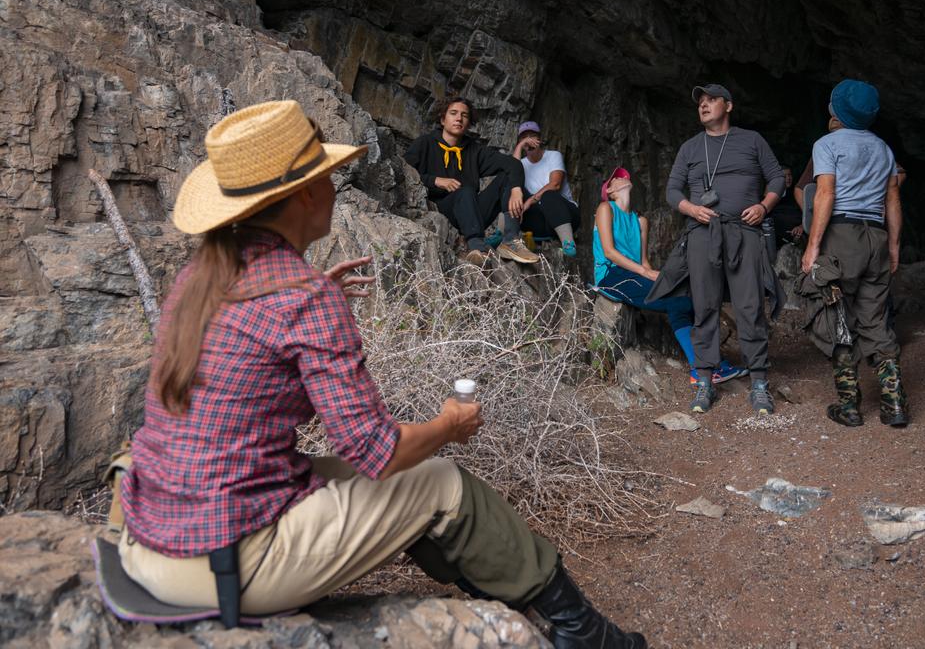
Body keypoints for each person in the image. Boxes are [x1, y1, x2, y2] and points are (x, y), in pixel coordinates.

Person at [117, 101, 644, 648]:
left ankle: (526, 609)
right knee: (441, 481)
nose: (334, 187)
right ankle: (586, 635)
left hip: (152, 536)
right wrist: (449, 425)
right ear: (304, 195)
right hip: (224, 560)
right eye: (327, 177)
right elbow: (379, 453)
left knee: (352, 473)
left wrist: (316, 293)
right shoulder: (301, 298)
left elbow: (254, 349)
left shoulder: (202, 276)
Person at [652, 83, 785, 416]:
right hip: (702, 233)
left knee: (750, 305)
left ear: (728, 105)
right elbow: (672, 190)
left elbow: (777, 178)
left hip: (744, 232)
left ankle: (759, 383)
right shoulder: (690, 148)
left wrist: (764, 206)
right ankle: (705, 381)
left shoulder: (752, 140)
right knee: (705, 307)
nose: (704, 105)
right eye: (700, 101)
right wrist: (691, 208)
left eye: (711, 100)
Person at [801, 80, 908, 427]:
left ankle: (849, 406)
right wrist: (893, 246)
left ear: (837, 110)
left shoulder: (827, 144)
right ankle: (894, 404)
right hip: (876, 235)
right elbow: (893, 199)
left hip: (841, 236)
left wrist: (813, 246)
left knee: (837, 316)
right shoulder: (883, 149)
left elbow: (825, 195)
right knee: (875, 317)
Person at [593, 167, 745, 385]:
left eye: (622, 175)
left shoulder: (640, 221)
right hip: (611, 275)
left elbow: (644, 261)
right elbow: (609, 251)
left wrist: (660, 278)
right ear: (609, 191)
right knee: (677, 302)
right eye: (615, 178)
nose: (621, 178)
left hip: (634, 272)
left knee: (687, 299)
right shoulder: (605, 208)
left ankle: (710, 365)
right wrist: (646, 273)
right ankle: (702, 369)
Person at [404, 98, 538, 266]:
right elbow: (404, 172)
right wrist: (435, 180)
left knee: (507, 178)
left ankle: (510, 241)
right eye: (453, 113)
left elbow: (513, 164)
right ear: (443, 119)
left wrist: (516, 189)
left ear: (468, 123)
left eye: (464, 115)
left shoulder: (474, 150)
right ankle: (477, 247)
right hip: (442, 211)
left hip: (473, 214)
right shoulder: (425, 143)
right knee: (465, 191)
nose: (459, 118)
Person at [511, 121, 581, 257]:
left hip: (565, 216)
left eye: (532, 136)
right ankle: (503, 236)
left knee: (548, 194)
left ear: (539, 139)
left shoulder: (553, 155)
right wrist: (520, 145)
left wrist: (530, 201)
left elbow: (555, 184)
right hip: (539, 222)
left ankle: (568, 242)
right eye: (525, 138)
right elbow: (512, 173)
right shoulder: (522, 164)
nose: (529, 141)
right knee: (511, 187)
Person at [768, 166, 805, 246]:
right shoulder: (770, 196)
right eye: (785, 176)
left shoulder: (797, 193)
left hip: (797, 236)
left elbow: (808, 214)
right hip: (777, 238)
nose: (788, 178)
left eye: (789, 175)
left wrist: (802, 226)